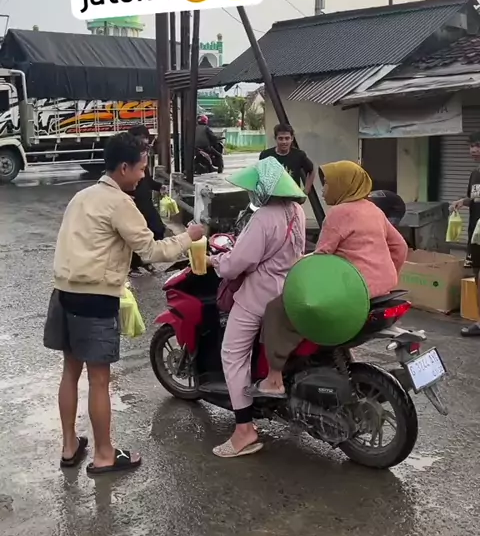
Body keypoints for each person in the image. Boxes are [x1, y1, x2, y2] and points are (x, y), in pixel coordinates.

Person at [43, 132, 204, 475]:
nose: (144, 175)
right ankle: (104, 454)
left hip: (63, 293)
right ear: (124, 168)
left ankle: (69, 446)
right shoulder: (120, 203)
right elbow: (152, 251)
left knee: (70, 372)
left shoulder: (82, 196)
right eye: (142, 168)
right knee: (99, 380)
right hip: (94, 299)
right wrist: (188, 238)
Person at [255, 161, 408, 397]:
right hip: (382, 294)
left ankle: (274, 378)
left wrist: (296, 269)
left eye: (326, 184)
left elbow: (321, 258)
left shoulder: (338, 214)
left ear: (342, 185)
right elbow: (400, 247)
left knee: (276, 309)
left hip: (353, 292)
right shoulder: (373, 209)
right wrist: (386, 276)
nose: (323, 189)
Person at [206, 157, 306, 458]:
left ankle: (244, 430)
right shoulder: (297, 210)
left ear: (265, 188)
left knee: (232, 354)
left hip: (258, 297)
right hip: (289, 290)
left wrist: (216, 261)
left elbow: (237, 263)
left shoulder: (264, 217)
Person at [450, 131, 480, 336]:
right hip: (475, 233)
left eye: (478, 145)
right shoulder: (475, 174)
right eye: (471, 146)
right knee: (477, 275)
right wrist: (463, 201)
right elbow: (475, 198)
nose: (474, 150)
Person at [127, 124, 166, 275]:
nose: (146, 141)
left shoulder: (142, 157)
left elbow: (147, 180)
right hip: (133, 203)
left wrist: (159, 187)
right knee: (136, 235)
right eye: (143, 138)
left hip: (146, 202)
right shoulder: (128, 159)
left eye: (146, 137)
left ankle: (144, 260)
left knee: (157, 229)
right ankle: (133, 264)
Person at [259, 123, 315, 193]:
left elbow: (311, 170)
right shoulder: (265, 155)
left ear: (292, 138)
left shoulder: (299, 155)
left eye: (287, 138)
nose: (284, 142)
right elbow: (260, 175)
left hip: (293, 196)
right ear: (275, 138)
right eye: (280, 138)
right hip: (272, 196)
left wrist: (306, 190)